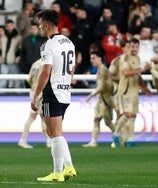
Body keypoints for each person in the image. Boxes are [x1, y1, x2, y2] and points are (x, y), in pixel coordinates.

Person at [31, 9, 76, 182]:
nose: (39, 28)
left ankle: (58, 173)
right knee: (57, 132)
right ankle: (69, 167)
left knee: (54, 133)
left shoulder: (48, 45)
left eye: (40, 25)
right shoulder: (68, 42)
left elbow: (45, 73)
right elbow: (71, 69)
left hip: (53, 92)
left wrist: (35, 96)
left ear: (47, 25)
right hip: (65, 92)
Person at [112, 38, 151, 147]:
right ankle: (116, 133)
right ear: (129, 47)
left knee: (133, 116)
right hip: (125, 91)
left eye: (136, 47)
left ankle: (129, 139)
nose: (134, 49)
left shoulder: (137, 58)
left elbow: (137, 75)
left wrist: (144, 87)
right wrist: (141, 70)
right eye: (132, 46)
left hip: (134, 91)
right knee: (127, 114)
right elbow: (125, 72)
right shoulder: (125, 58)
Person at [82, 51, 115, 148]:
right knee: (98, 120)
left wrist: (92, 94)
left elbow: (102, 86)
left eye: (94, 58)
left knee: (106, 122)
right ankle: (94, 141)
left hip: (104, 100)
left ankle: (119, 135)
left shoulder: (102, 69)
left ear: (100, 58)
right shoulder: (100, 69)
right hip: (101, 99)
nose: (92, 61)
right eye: (91, 58)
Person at [18, 59, 51, 149]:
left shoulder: (35, 63)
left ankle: (48, 141)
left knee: (40, 116)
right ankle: (23, 140)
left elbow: (29, 79)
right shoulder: (47, 63)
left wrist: (34, 86)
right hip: (41, 93)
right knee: (40, 117)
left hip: (34, 92)